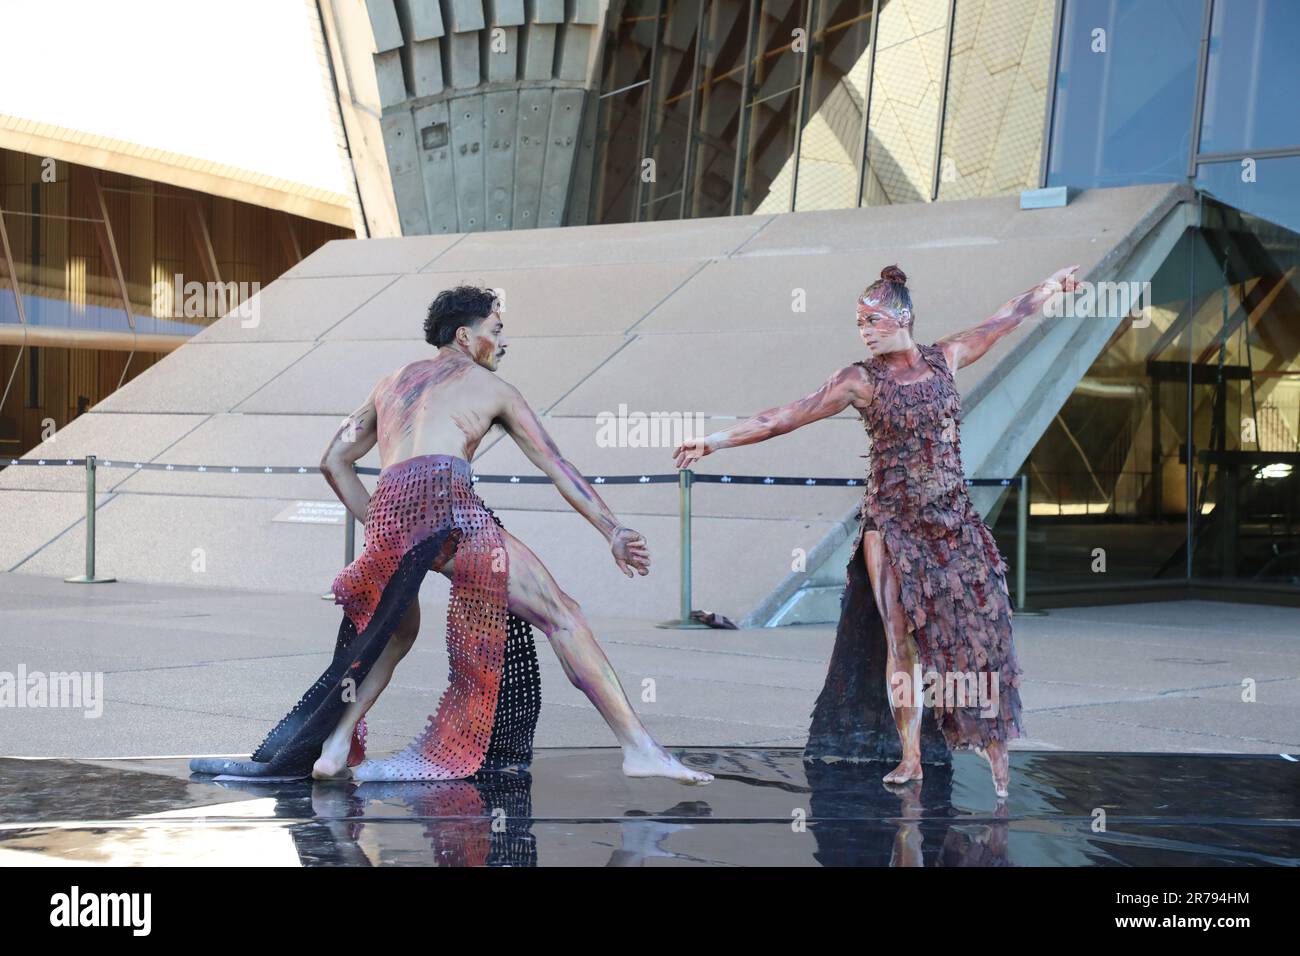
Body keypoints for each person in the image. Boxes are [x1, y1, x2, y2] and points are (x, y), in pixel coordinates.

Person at [192, 285, 711, 785]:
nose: (505, 342)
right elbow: (556, 465)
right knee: (563, 615)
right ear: (465, 336)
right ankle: (640, 749)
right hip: (448, 502)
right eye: (497, 330)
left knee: (395, 635)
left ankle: (333, 749)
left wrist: (381, 525)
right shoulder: (495, 389)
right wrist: (613, 529)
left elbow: (333, 461)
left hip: (393, 509)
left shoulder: (391, 381)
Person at [674, 264, 1079, 797]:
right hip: (891, 525)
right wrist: (715, 440)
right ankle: (910, 755)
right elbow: (785, 416)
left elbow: (1006, 318)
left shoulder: (947, 358)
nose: (864, 330)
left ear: (903, 317)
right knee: (901, 637)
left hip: (953, 520)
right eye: (859, 323)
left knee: (981, 631)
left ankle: (993, 745)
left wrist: (1049, 287)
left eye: (873, 320)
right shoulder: (859, 380)